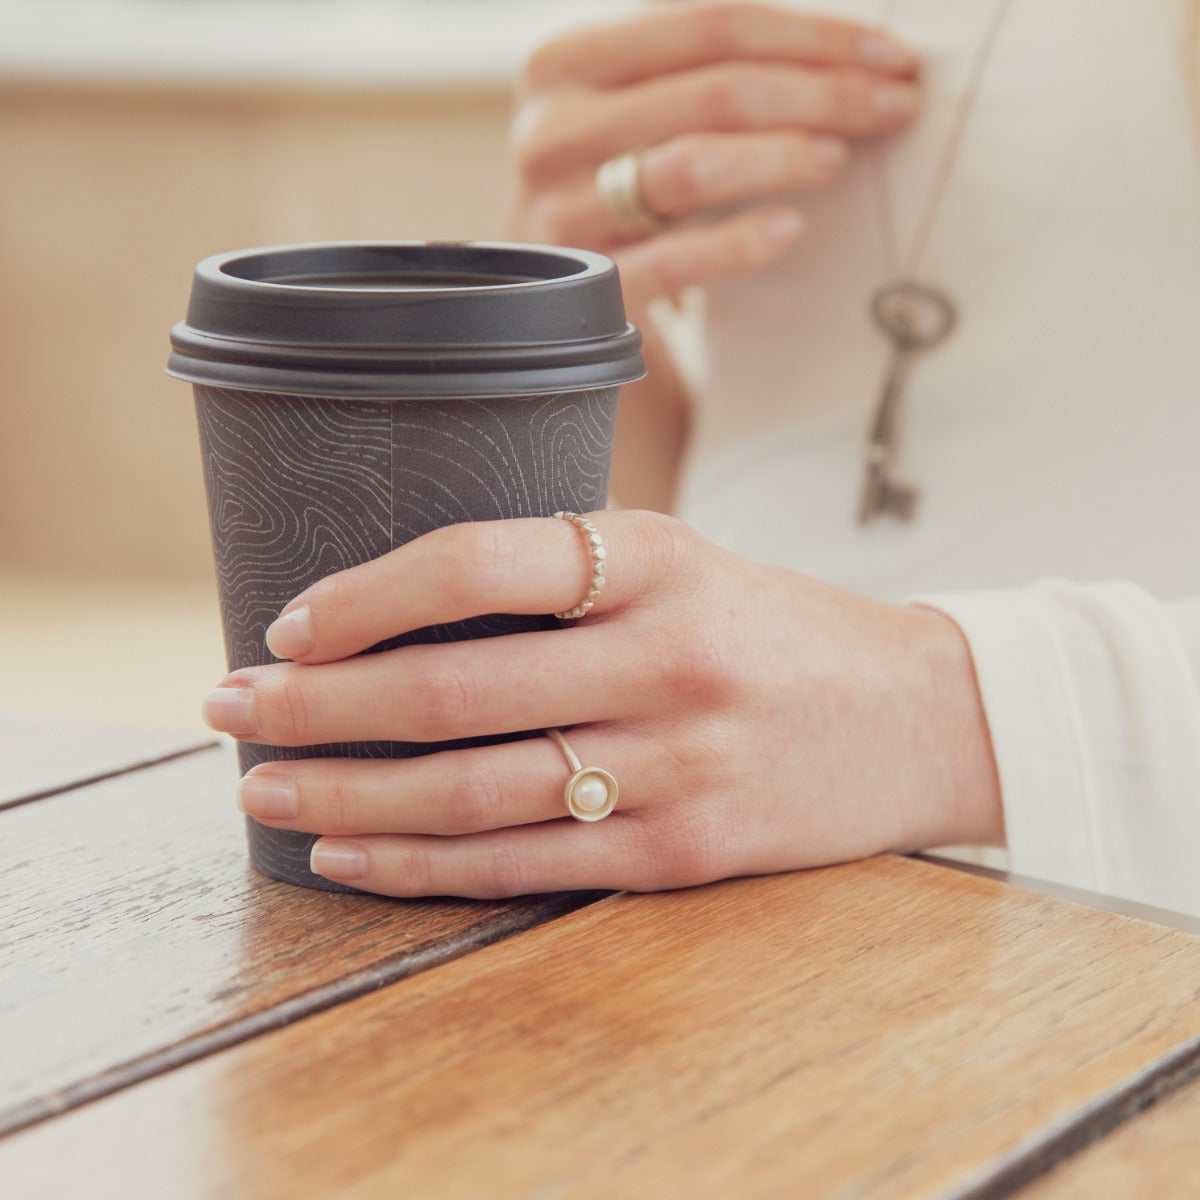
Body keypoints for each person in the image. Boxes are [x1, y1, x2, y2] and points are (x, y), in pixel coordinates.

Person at [203, 1, 1200, 917]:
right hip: (687, 872)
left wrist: (931, 720)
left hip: (1104, 944)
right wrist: (563, 324)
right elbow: (739, 515)